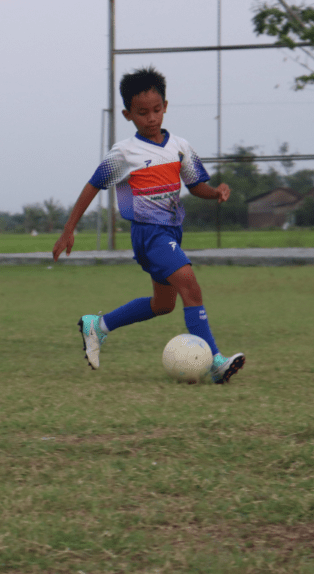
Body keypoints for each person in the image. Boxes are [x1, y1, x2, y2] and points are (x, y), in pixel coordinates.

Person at [52, 66, 245, 384]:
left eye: (156, 110)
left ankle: (98, 326)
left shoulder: (180, 146)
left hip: (170, 233)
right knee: (190, 284)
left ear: (166, 107)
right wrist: (68, 229)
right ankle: (214, 361)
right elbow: (92, 186)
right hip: (148, 233)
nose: (151, 118)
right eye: (142, 113)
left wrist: (216, 193)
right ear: (128, 114)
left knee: (163, 304)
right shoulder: (124, 153)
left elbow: (196, 185)